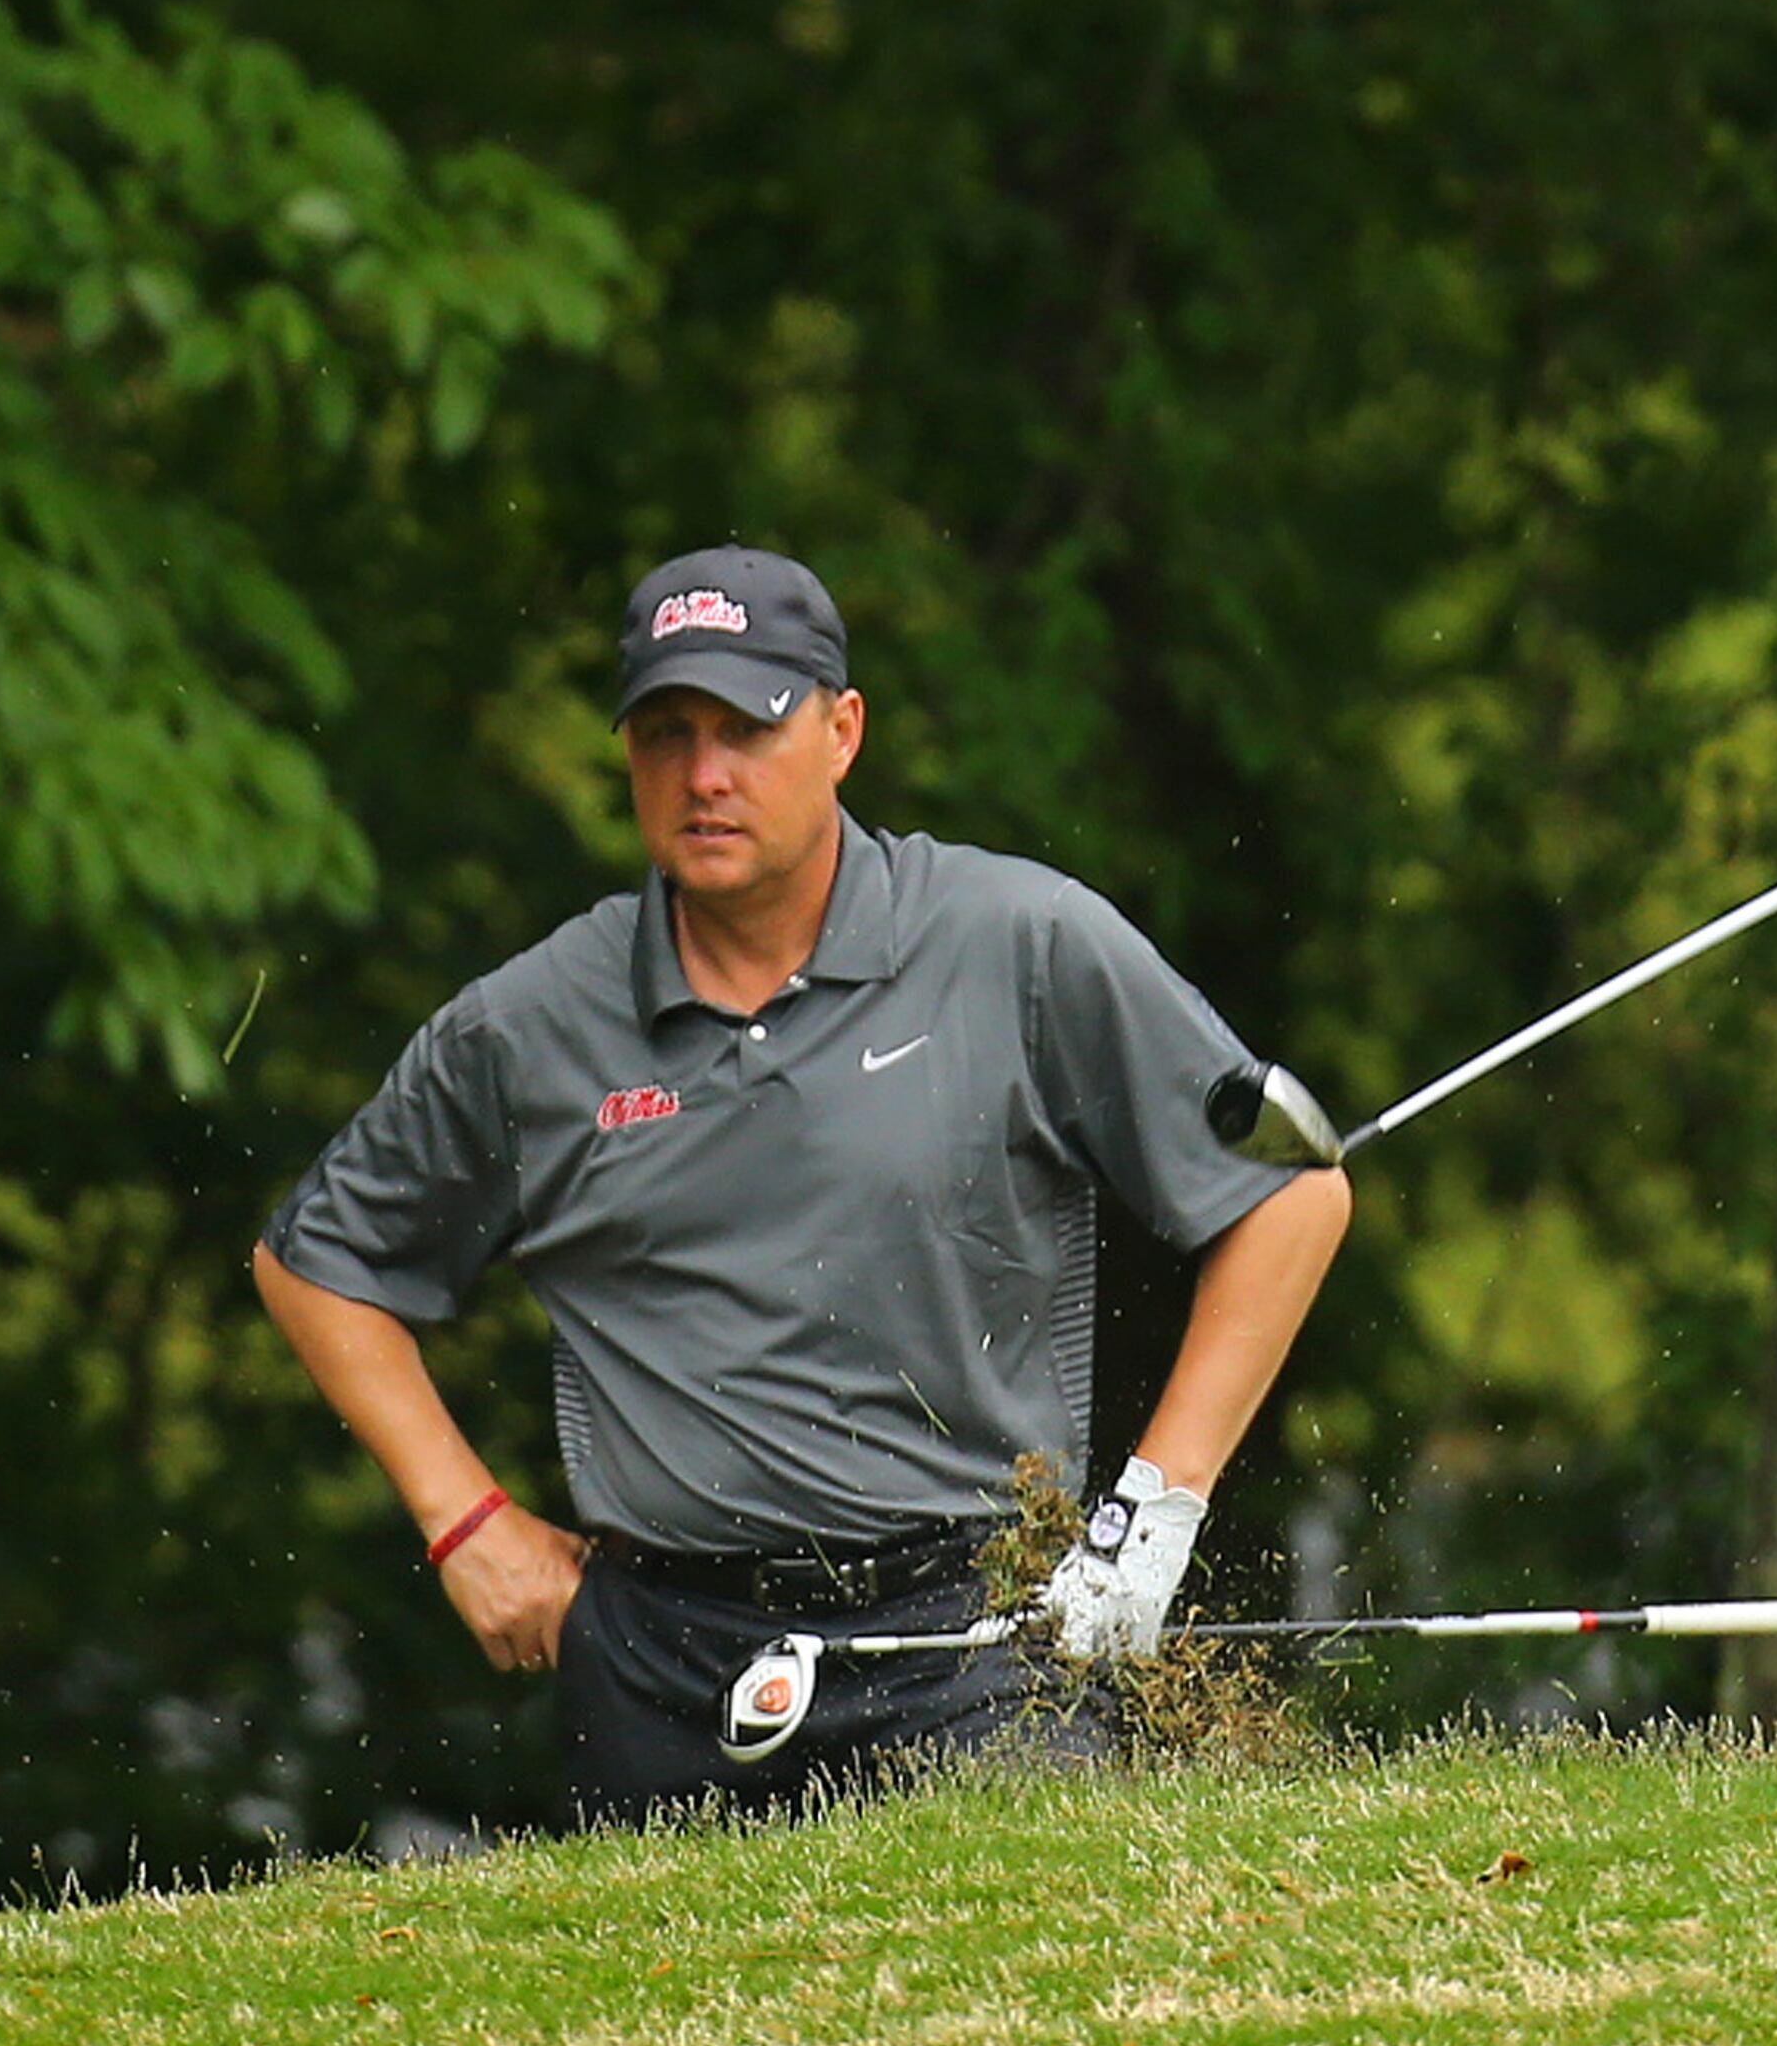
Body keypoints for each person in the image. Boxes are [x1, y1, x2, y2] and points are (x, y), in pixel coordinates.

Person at [253, 544, 1351, 1813]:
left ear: (841, 732)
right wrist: (464, 1520)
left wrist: (1151, 1518)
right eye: (667, 733)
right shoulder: (534, 1023)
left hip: (979, 1638)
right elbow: (317, 1263)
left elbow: (1289, 1196)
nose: (704, 776)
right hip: (661, 1657)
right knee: (673, 2014)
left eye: (748, 729)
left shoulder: (1015, 943)